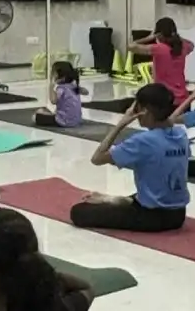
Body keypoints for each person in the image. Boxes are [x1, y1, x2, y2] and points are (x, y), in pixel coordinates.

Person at [72, 83, 188, 233]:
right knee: (150, 189)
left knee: (78, 212)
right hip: (179, 213)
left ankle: (112, 201)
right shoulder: (181, 135)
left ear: (144, 111)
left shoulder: (143, 141)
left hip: (152, 216)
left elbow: (97, 158)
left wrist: (122, 123)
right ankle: (111, 199)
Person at [130, 17, 191, 104]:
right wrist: (176, 37)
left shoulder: (159, 49)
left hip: (165, 100)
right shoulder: (183, 47)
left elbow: (131, 46)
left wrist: (150, 37)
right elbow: (191, 45)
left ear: (159, 34)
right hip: (183, 100)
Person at [33, 61, 85, 129]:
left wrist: (51, 86)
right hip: (77, 120)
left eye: (52, 72)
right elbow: (86, 92)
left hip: (64, 121)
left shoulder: (61, 88)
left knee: (36, 115)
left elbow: (53, 101)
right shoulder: (73, 86)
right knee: (45, 110)